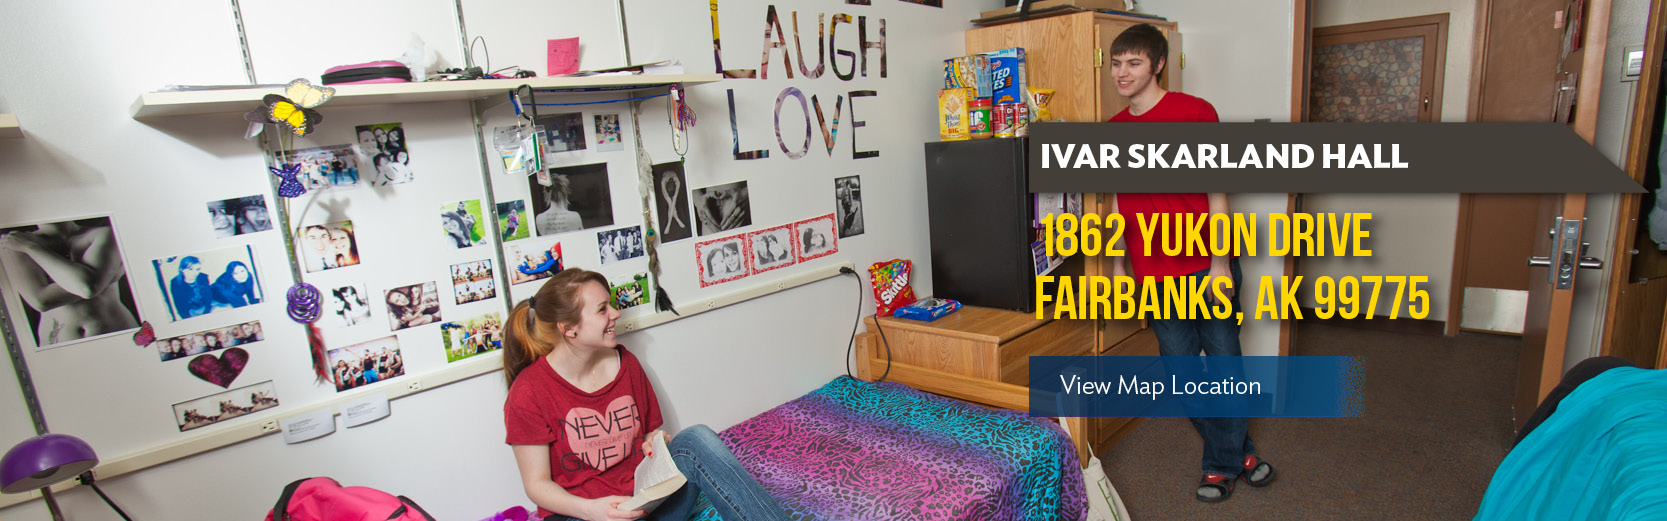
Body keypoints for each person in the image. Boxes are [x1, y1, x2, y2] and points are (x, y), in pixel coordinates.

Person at [1104, 23, 1274, 503]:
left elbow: (1217, 194)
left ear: (1158, 64)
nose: (1121, 73)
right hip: (1153, 274)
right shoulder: (1113, 131)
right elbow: (1118, 206)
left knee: (1224, 366)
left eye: (1133, 63)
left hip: (1205, 265)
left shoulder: (1195, 113)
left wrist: (1220, 263)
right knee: (1182, 374)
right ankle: (1241, 453)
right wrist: (1118, 266)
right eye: (1116, 63)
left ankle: (1219, 467)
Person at [502, 268, 786, 521]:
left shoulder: (626, 364)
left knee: (695, 438)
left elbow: (648, 435)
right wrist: (592, 511)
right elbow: (536, 485)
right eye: (602, 309)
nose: (615, 314)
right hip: (585, 515)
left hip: (644, 504)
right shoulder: (528, 391)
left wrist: (654, 444)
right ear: (569, 329)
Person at [0, 220, 140, 346]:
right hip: (62, 348)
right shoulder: (15, 244)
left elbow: (88, 288)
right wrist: (101, 280)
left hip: (116, 335)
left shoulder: (104, 234)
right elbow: (41, 301)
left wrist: (32, 248)